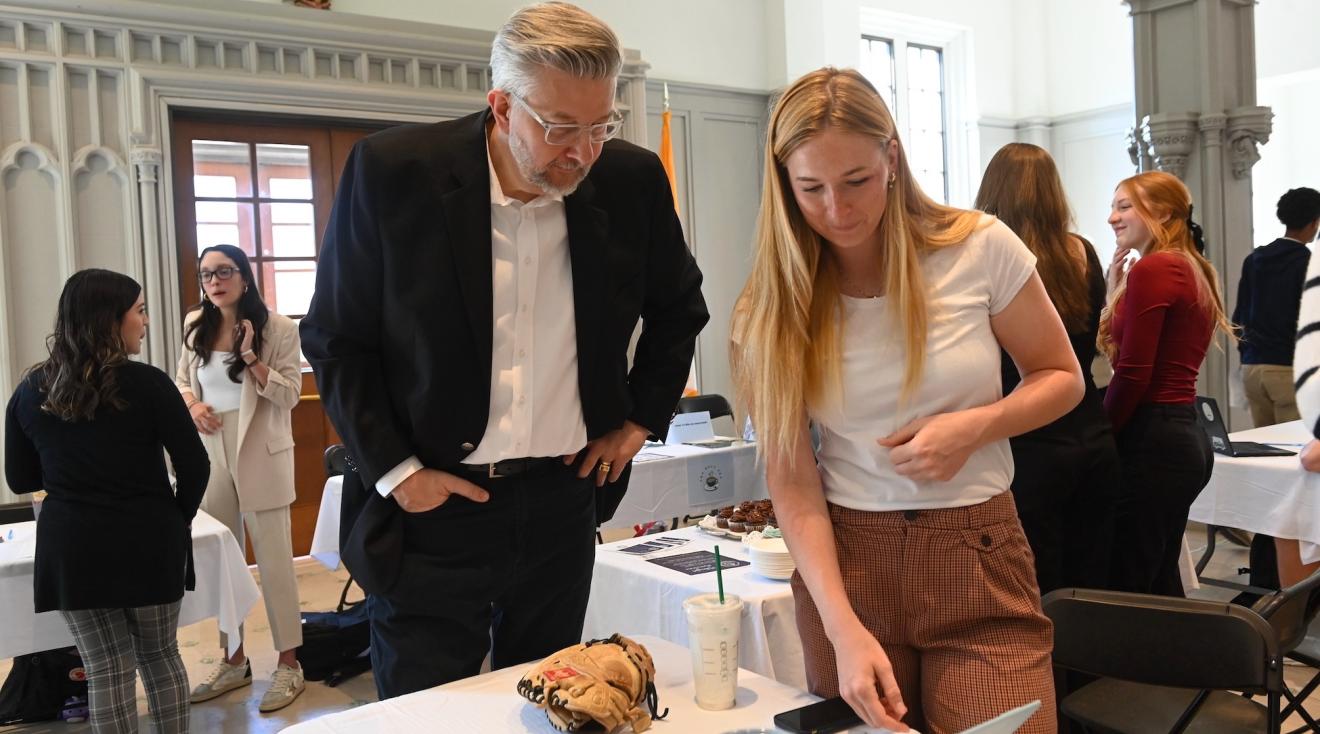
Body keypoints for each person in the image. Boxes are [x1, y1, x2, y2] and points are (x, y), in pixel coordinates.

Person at [299, 1, 708, 699]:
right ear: (500, 105)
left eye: (600, 127)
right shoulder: (396, 171)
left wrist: (639, 421)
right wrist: (399, 474)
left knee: (552, 700)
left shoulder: (630, 180)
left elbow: (679, 307)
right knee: (428, 710)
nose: (581, 151)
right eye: (559, 128)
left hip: (563, 498)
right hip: (434, 506)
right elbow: (337, 338)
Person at [730, 68, 1083, 734]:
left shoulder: (978, 248)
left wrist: (976, 427)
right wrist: (842, 631)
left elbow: (1060, 376)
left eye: (856, 181)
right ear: (784, 185)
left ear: (891, 156)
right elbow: (794, 483)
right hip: (850, 567)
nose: (837, 209)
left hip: (979, 554)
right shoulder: (772, 304)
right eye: (811, 189)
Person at [5, 269, 209, 734]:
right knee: (160, 656)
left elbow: (20, 478)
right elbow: (195, 466)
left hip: (72, 545)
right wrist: (177, 520)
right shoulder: (149, 384)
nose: (146, 322)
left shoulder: (31, 390)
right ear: (109, 319)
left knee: (106, 666)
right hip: (149, 539)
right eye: (139, 311)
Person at [976, 143, 1122, 593]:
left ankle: (1047, 668)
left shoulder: (991, 258)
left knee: (1034, 582)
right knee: (1092, 577)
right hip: (1090, 431)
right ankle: (1087, 665)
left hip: (1028, 440)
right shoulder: (1083, 252)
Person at [174, 244, 306, 712]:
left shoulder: (279, 328)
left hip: (262, 451)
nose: (214, 280)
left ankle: (289, 663)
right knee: (222, 565)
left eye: (224, 271)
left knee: (273, 563)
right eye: (207, 274)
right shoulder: (196, 324)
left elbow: (290, 394)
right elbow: (182, 379)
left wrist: (251, 357)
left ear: (244, 278)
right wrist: (192, 405)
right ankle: (234, 660)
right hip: (210, 450)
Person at [1101, 170, 1234, 596]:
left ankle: (1138, 662)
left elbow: (1134, 373)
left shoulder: (1157, 268)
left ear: (1160, 211)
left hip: (1153, 437)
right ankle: (1173, 661)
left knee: (1133, 579)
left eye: (1124, 206)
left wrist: (1101, 434)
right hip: (1179, 432)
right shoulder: (1187, 265)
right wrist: (1113, 293)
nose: (1112, 218)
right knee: (1157, 575)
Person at [1233, 187, 1320, 427]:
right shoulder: (1309, 263)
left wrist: (1247, 356)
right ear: (1314, 222)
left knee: (1265, 451)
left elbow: (1238, 317)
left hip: (1252, 370)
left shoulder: (1254, 259)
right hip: (1287, 369)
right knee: (1294, 451)